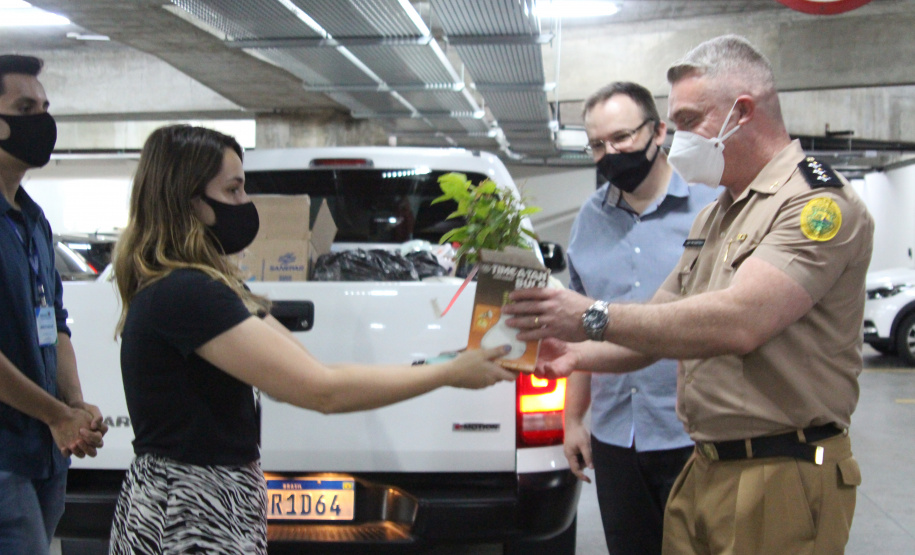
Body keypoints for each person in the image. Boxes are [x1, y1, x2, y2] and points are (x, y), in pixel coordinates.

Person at [504, 35, 873, 554]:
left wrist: (591, 316)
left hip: (780, 471)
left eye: (688, 121)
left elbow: (739, 322)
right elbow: (658, 327)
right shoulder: (718, 214)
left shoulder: (815, 205)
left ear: (741, 113)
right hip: (709, 466)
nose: (678, 141)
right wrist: (575, 355)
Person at [108, 124, 517, 554]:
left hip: (211, 500)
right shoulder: (187, 294)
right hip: (188, 512)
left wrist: (438, 365)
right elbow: (322, 392)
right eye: (233, 192)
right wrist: (449, 374)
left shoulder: (204, 289)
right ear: (190, 202)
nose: (245, 204)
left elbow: (313, 372)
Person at [566, 81, 717, 555]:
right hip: (615, 436)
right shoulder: (589, 220)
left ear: (658, 131)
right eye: (596, 144)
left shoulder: (710, 208)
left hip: (694, 434)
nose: (609, 154)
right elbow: (581, 330)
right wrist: (573, 420)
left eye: (621, 138)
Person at [0, 54, 107, 554]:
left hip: (44, 455)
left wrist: (75, 405)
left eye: (45, 106)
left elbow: (55, 324)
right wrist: (55, 416)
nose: (42, 120)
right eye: (25, 107)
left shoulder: (34, 221)